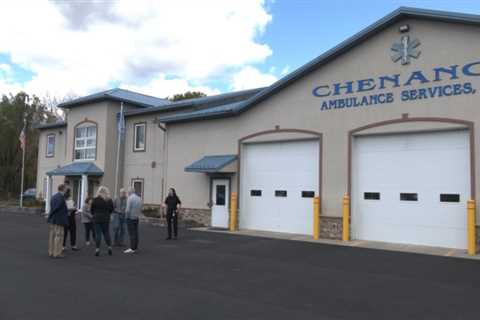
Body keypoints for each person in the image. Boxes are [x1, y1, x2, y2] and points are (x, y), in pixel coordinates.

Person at [91, 186, 114, 256]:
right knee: (106, 233)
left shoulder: (95, 200)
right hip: (106, 218)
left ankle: (97, 249)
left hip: (97, 218)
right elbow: (111, 209)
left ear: (98, 192)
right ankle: (109, 247)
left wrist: (94, 214)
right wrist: (108, 213)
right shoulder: (109, 200)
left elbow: (92, 210)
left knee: (98, 234)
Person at [47, 184, 69, 258]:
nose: (66, 190)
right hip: (59, 219)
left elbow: (52, 207)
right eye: (66, 188)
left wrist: (50, 216)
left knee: (52, 236)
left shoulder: (53, 196)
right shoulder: (61, 197)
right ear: (63, 189)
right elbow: (57, 208)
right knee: (59, 236)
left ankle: (51, 251)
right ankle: (57, 253)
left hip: (53, 219)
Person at [124, 187, 142, 254]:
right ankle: (135, 246)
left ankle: (132, 248)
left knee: (131, 233)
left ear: (130, 192)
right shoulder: (139, 198)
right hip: (136, 217)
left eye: (128, 191)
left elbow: (128, 209)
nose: (127, 193)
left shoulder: (130, 198)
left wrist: (126, 217)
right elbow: (140, 208)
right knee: (136, 232)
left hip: (130, 218)